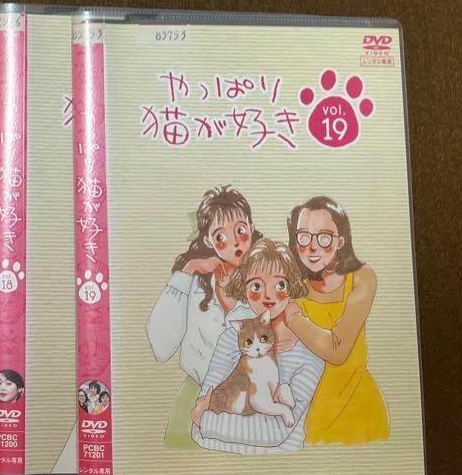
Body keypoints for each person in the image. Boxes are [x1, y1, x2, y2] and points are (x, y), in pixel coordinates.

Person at [146, 186, 262, 448]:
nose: (235, 242)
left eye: (241, 230)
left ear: (252, 228)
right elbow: (161, 346)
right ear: (208, 241)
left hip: (250, 402)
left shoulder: (265, 281)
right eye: (221, 236)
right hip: (195, 396)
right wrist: (190, 269)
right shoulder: (196, 282)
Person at [190, 239, 324, 454]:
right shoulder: (232, 339)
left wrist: (206, 422)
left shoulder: (309, 354)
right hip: (214, 460)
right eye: (256, 286)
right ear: (243, 288)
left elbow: (274, 432)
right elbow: (202, 410)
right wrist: (203, 419)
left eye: (280, 285)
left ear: (292, 286)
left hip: (277, 467)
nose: (268, 295)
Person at [283, 196, 389, 444]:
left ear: (340, 241)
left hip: (358, 409)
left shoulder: (361, 277)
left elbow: (338, 351)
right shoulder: (292, 285)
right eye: (303, 236)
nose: (312, 247)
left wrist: (291, 316)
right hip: (305, 412)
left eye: (324, 237)